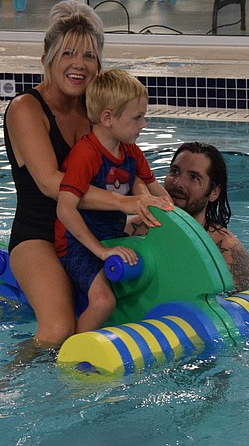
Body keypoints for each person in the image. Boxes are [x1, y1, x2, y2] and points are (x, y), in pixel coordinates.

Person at [0, 0, 169, 361]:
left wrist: (152, 204)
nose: (79, 64)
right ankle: (8, 377)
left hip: (93, 233)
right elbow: (51, 183)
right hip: (40, 235)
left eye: (88, 56)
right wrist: (124, 202)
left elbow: (127, 164)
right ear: (47, 59)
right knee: (56, 330)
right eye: (68, 53)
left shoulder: (96, 110)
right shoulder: (26, 109)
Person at [55, 68, 172, 333]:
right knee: (104, 302)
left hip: (113, 237)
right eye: (137, 118)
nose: (143, 125)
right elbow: (65, 209)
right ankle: (66, 357)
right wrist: (101, 251)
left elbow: (159, 195)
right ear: (108, 118)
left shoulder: (130, 151)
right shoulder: (86, 154)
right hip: (76, 245)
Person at [127, 142, 249, 292]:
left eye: (194, 177)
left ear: (214, 192)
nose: (178, 183)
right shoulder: (134, 229)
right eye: (174, 172)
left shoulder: (226, 250)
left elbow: (237, 308)